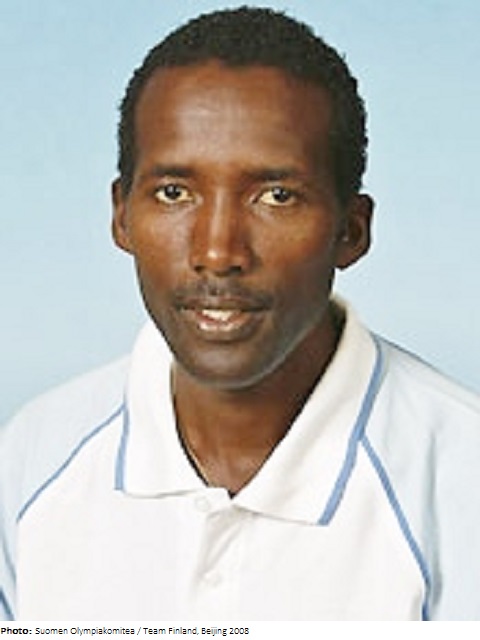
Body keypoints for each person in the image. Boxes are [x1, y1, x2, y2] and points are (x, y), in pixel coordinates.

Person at [1, 6, 480, 622]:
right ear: (121, 216)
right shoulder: (35, 458)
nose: (218, 252)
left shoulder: (461, 479)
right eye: (174, 193)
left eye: (276, 196)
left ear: (351, 231)